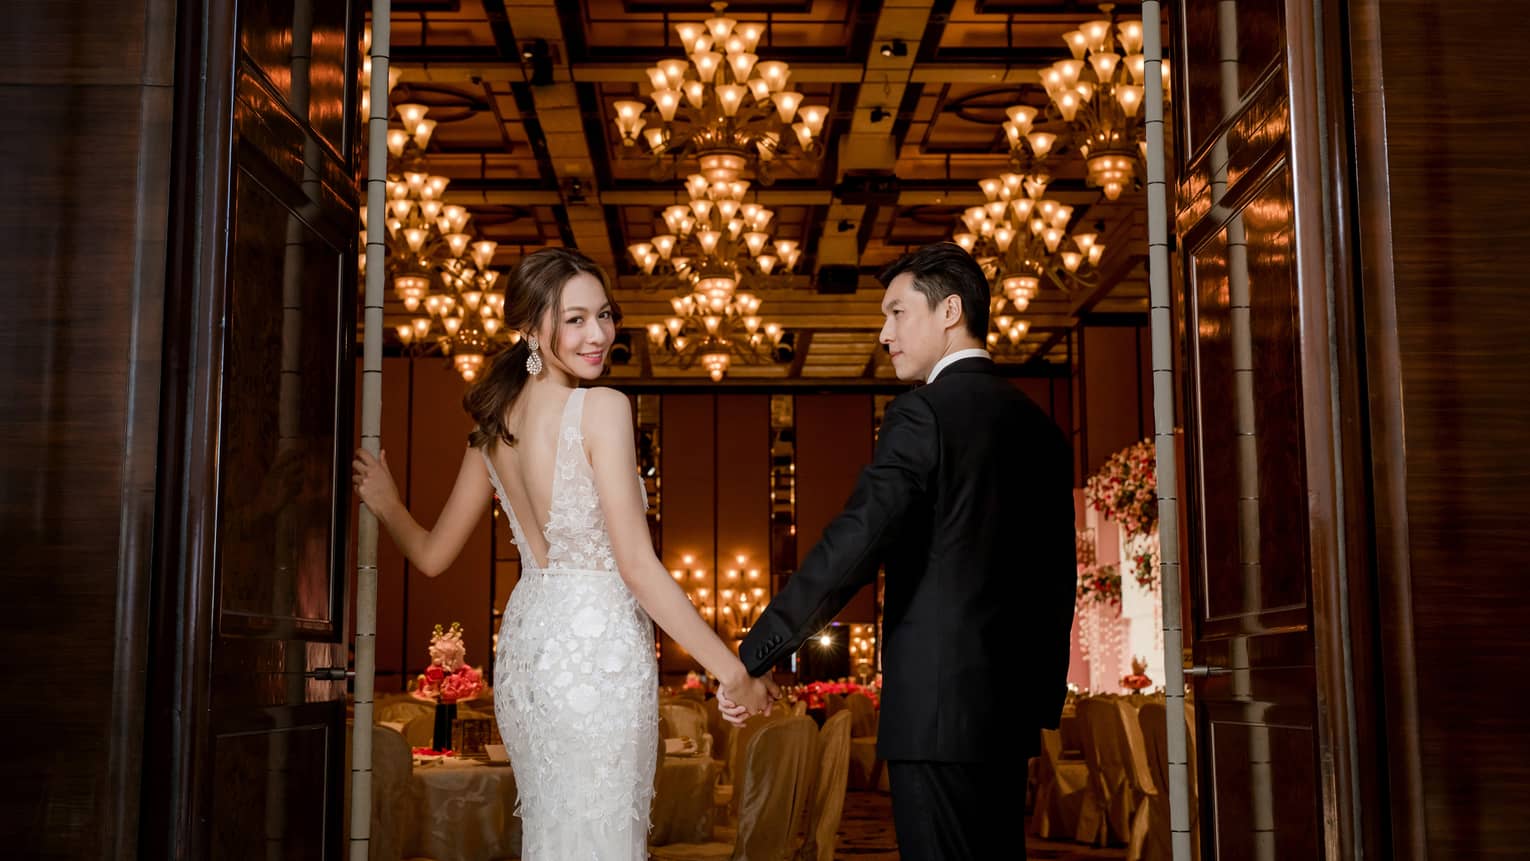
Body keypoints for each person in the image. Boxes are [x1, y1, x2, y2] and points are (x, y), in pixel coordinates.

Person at [353, 247, 774, 859]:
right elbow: (635, 566)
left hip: (531, 650)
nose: (598, 334)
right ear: (529, 328)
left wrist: (389, 504)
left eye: (603, 315)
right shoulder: (601, 408)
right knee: (597, 833)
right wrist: (731, 670)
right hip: (596, 651)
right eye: (574, 319)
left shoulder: (494, 427)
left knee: (558, 830)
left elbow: (432, 556)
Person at [723, 242, 1077, 859]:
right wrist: (1039, 699)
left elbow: (855, 543)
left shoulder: (923, 413)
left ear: (949, 311)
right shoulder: (1040, 427)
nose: (884, 334)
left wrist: (758, 652)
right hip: (1009, 716)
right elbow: (1055, 579)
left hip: (935, 711)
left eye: (896, 313)